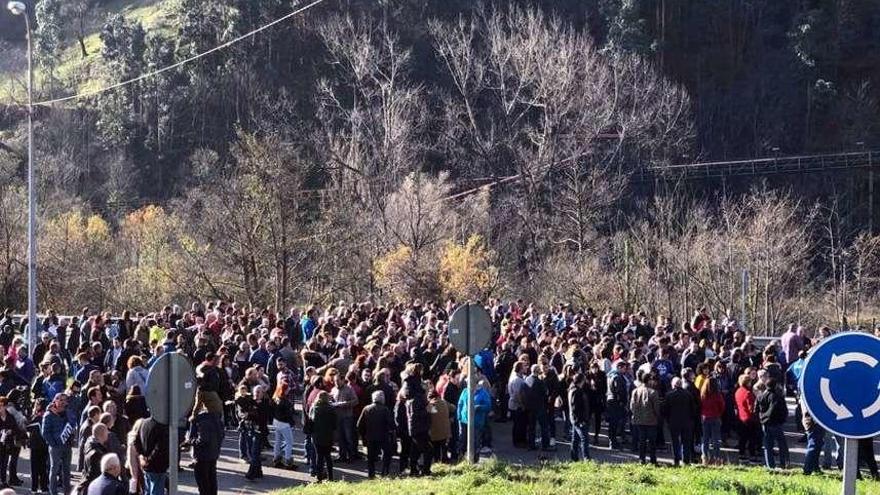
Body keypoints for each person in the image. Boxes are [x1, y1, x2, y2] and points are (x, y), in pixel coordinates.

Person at [357, 390, 395, 478]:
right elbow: (391, 424)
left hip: (370, 436)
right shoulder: (385, 409)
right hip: (383, 436)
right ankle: (385, 472)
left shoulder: (366, 409)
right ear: (382, 399)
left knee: (370, 457)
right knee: (386, 454)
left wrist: (363, 436)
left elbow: (359, 425)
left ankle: (371, 474)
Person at [42, 393, 75, 495]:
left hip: (67, 446)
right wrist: (53, 444)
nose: (61, 402)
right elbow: (45, 433)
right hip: (55, 447)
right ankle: (53, 492)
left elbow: (73, 424)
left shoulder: (68, 412)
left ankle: (67, 492)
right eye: (59, 399)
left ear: (66, 402)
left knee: (67, 471)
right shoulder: (48, 415)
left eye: (63, 400)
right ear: (54, 400)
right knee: (54, 469)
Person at [756, 377, 789, 469]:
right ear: (775, 385)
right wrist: (782, 420)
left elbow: (756, 409)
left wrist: (761, 418)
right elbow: (780, 410)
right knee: (782, 444)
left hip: (765, 423)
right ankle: (783, 463)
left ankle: (770, 464)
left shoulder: (761, 396)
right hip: (775, 423)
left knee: (767, 445)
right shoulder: (777, 396)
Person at [132, 415, 170, 495]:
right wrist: (148, 459)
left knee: (148, 490)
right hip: (158, 465)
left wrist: (142, 456)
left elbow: (136, 441)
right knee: (156, 490)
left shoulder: (143, 423)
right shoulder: (161, 426)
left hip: (146, 464)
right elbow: (160, 447)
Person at [663, 377, 696, 466]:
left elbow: (665, 410)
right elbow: (693, 409)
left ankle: (676, 459)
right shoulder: (688, 394)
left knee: (675, 442)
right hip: (686, 422)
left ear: (673, 385)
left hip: (673, 422)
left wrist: (667, 420)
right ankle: (686, 460)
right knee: (686, 441)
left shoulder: (669, 395)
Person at [630, 373, 661, 465]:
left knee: (642, 440)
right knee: (652, 442)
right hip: (651, 420)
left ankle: (641, 459)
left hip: (639, 420)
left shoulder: (635, 391)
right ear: (649, 380)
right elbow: (656, 408)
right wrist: (657, 417)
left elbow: (632, 406)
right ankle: (653, 460)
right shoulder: (653, 392)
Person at [191, 408, 223, 495]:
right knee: (211, 482)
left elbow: (203, 439)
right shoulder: (216, 416)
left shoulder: (202, 418)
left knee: (204, 485)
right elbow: (221, 435)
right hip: (213, 454)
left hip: (202, 455)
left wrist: (191, 441)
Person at [235, 385, 263, 482]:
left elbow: (261, 417)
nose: (257, 394)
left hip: (260, 431)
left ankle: (251, 474)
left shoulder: (264, 403)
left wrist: (250, 414)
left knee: (254, 452)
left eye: (259, 392)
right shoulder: (250, 401)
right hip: (250, 429)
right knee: (254, 451)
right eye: (255, 392)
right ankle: (259, 472)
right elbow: (240, 411)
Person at [310, 391, 337, 482]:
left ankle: (319, 478)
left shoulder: (315, 408)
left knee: (319, 457)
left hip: (317, 435)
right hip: (328, 435)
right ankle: (331, 477)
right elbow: (335, 424)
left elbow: (310, 421)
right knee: (328, 456)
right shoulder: (331, 409)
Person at [734, 375, 761, 463]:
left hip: (741, 417)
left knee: (743, 438)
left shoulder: (738, 391)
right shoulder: (748, 393)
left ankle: (741, 454)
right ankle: (752, 455)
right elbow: (751, 407)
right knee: (752, 438)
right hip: (750, 418)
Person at [271, 381, 296, 470]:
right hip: (284, 423)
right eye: (287, 388)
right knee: (289, 442)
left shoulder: (275, 398)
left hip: (276, 421)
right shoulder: (285, 401)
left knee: (278, 441)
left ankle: (276, 458)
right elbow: (288, 415)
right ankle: (288, 461)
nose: (288, 390)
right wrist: (292, 423)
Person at [700, 377, 725, 465]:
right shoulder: (718, 395)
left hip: (705, 417)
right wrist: (718, 413)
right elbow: (722, 406)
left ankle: (705, 457)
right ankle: (716, 458)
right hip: (715, 417)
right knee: (716, 440)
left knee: (705, 439)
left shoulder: (703, 394)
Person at [567, 372, 591, 461]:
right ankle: (586, 458)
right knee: (584, 439)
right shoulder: (577, 391)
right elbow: (576, 407)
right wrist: (581, 420)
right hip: (579, 419)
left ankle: (574, 458)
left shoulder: (572, 390)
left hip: (574, 418)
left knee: (575, 439)